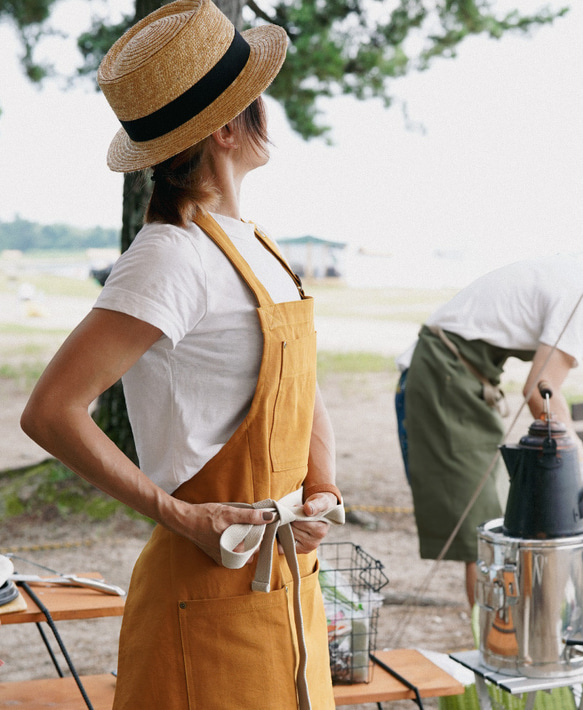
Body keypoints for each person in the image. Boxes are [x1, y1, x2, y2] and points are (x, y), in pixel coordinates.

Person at [20, 2, 344, 708]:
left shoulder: (255, 243)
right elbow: (50, 412)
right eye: (253, 98)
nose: (268, 109)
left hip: (286, 586)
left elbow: (300, 382)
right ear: (227, 129)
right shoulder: (169, 256)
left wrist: (322, 489)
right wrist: (179, 515)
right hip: (206, 593)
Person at [396, 254, 583, 608]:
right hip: (443, 374)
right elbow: (541, 390)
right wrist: (578, 460)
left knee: (498, 511)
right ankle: (498, 646)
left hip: (464, 374)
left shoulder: (572, 277)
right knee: (483, 525)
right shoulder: (579, 294)